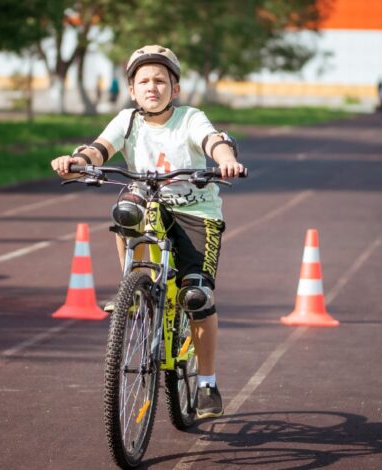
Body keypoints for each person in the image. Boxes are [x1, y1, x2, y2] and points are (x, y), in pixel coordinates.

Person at [51, 44, 244, 420]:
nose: (151, 87)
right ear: (132, 90)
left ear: (176, 88)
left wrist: (227, 161)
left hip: (195, 214)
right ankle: (136, 286)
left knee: (196, 298)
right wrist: (76, 162)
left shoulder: (190, 118)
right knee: (126, 207)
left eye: (160, 80)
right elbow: (99, 150)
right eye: (143, 81)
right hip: (149, 204)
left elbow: (214, 142)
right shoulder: (127, 121)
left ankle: (206, 383)